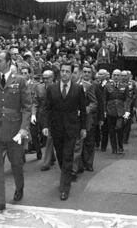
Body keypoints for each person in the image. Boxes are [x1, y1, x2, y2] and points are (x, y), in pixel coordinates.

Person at [0, 50, 31, 214]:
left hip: (14, 129)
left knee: (16, 163)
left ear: (9, 62)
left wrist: (24, 128)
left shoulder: (20, 80)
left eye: (0, 60)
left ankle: (19, 186)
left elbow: (26, 107)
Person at [42, 62, 86, 201]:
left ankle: (64, 188)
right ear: (59, 72)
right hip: (56, 129)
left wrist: (83, 128)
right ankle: (65, 174)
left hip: (72, 129)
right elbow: (46, 109)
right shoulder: (52, 89)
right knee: (60, 156)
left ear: (72, 73)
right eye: (63, 71)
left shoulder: (78, 89)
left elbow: (83, 110)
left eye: (68, 71)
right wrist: (45, 125)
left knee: (68, 156)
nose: (65, 73)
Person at [72, 64, 97, 178]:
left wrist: (86, 109)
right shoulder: (75, 84)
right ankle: (77, 166)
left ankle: (89, 163)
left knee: (89, 142)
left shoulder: (92, 86)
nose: (86, 74)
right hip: (75, 118)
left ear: (91, 74)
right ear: (81, 73)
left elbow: (95, 102)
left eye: (89, 72)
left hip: (87, 118)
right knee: (77, 143)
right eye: (85, 72)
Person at [104, 69, 131, 154]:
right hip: (110, 111)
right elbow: (104, 99)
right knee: (111, 131)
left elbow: (127, 99)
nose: (116, 77)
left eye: (118, 75)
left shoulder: (125, 86)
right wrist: (104, 111)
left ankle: (120, 146)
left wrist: (127, 111)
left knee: (120, 129)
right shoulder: (107, 86)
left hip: (120, 111)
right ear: (112, 76)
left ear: (120, 77)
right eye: (114, 75)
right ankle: (114, 148)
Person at [34, 70, 56, 171]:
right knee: (45, 137)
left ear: (53, 78)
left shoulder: (57, 88)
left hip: (54, 117)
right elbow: (35, 102)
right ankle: (52, 157)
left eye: (47, 78)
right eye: (44, 78)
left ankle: (46, 162)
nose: (45, 80)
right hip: (42, 117)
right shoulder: (39, 87)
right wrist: (33, 114)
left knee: (49, 138)